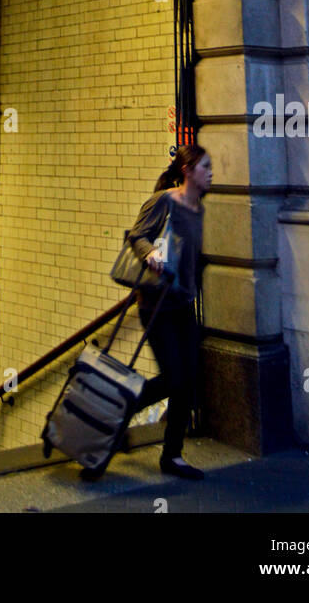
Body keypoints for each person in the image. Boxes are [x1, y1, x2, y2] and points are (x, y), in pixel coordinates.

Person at [125, 143, 212, 479]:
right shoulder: (164, 201)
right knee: (175, 377)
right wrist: (149, 254)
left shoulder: (198, 208)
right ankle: (124, 410)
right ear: (188, 171)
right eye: (205, 167)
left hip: (183, 303)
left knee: (186, 380)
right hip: (156, 305)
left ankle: (172, 455)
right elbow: (137, 235)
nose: (211, 172)